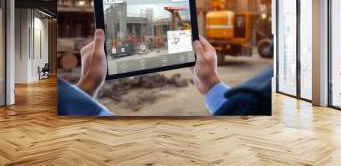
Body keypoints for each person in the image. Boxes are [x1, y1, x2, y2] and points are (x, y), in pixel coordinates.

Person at [58, 28, 272, 116]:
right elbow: (243, 111)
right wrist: (210, 83)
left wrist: (87, 85)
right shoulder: (263, 91)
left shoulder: (255, 98)